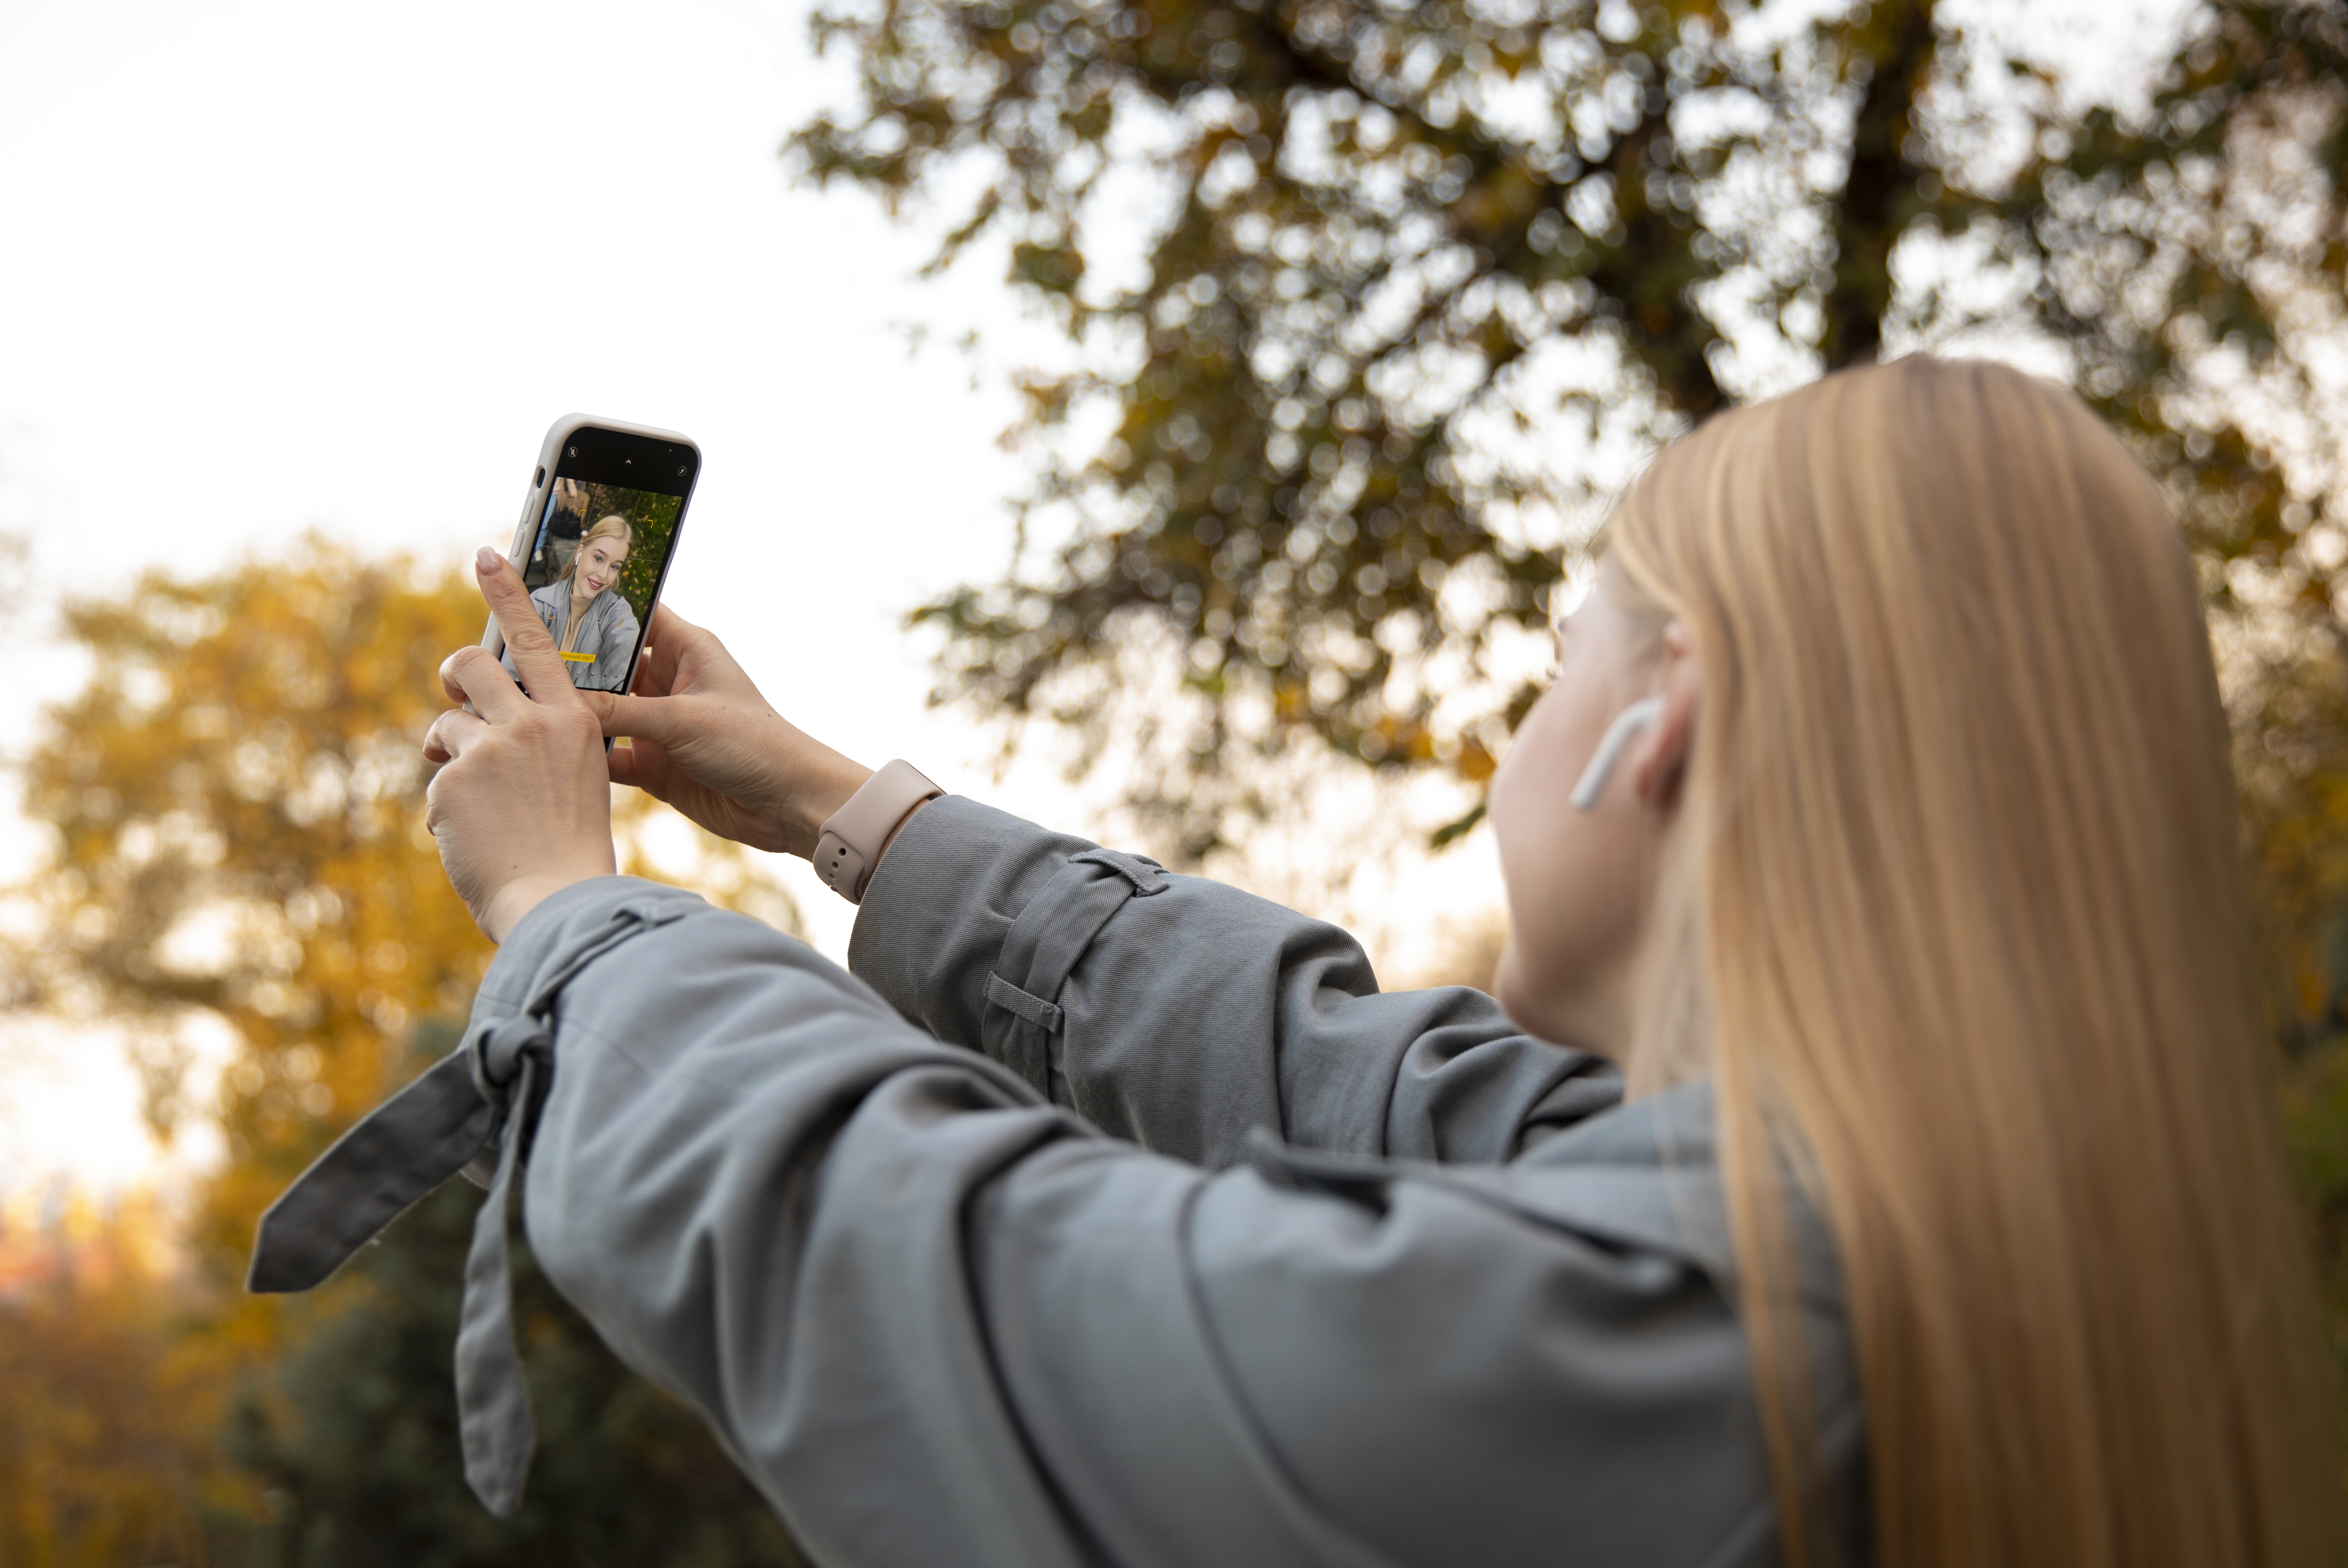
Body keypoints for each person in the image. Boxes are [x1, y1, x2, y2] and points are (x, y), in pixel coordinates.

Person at [258, 357, 2340, 1567]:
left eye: (1561, 658)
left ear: (1663, 717)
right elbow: (1344, 1075)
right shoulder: (1968, 1251)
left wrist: (572, 916)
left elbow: (939, 1289)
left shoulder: (1694, 1327)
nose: (1527, 713)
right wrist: (830, 804)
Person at [500, 513, 639, 692]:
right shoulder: (540, 604)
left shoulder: (617, 614)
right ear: (580, 553)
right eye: (598, 558)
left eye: (615, 566)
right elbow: (510, 676)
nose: (604, 575)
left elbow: (627, 643)